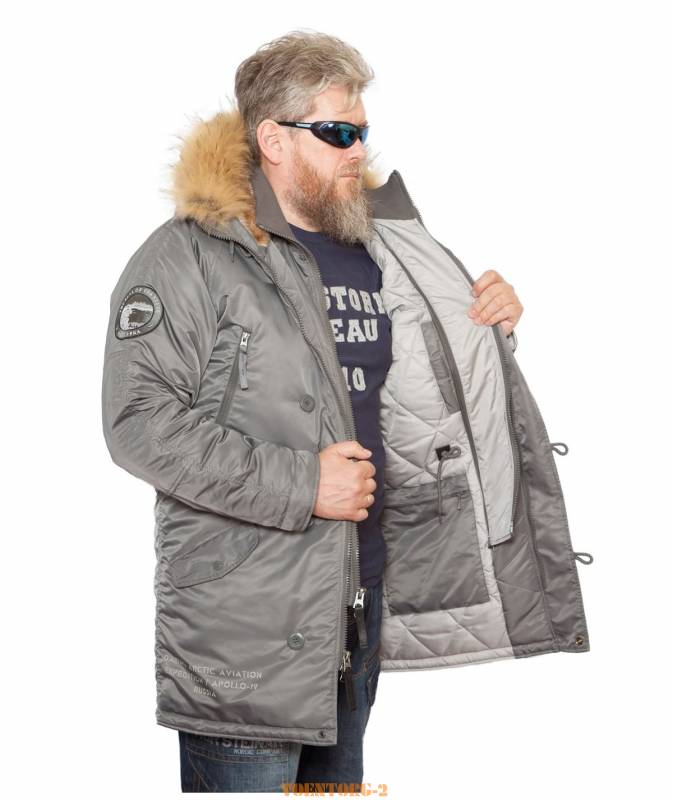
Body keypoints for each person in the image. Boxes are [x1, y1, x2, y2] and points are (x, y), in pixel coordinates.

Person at [102, 29, 590, 795]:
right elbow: (136, 423)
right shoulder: (191, 255)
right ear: (273, 140)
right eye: (336, 132)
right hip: (246, 624)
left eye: (361, 130)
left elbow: (414, 390)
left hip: (356, 607)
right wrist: (303, 484)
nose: (358, 150)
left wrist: (486, 327)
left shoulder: (376, 247)